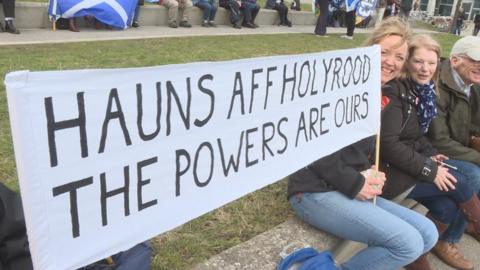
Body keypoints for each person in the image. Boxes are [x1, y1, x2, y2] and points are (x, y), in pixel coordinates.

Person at [288, 17, 438, 270]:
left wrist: (367, 172)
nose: (391, 61)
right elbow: (310, 149)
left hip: (348, 184)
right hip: (313, 190)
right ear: (369, 49)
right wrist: (355, 181)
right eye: (385, 52)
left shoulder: (383, 93)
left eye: (399, 57)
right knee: (408, 244)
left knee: (427, 232)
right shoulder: (336, 86)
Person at [380, 34, 480, 270]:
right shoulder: (398, 91)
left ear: (439, 63)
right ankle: (458, 234)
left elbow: (417, 136)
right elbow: (389, 144)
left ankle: (417, 255)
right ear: (407, 62)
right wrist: (429, 167)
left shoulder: (420, 91)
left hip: (411, 160)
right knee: (464, 181)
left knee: (446, 206)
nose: (425, 69)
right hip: (389, 171)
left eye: (431, 63)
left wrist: (431, 154)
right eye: (418, 62)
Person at [427, 35, 480, 268]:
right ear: (456, 60)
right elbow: (439, 141)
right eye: (475, 60)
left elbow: (475, 125)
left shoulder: (472, 85)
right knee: (472, 174)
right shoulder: (438, 85)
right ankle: (445, 239)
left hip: (457, 147)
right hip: (432, 153)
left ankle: (471, 223)